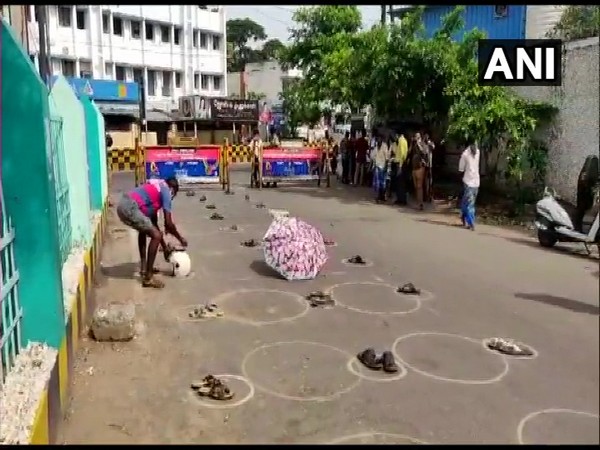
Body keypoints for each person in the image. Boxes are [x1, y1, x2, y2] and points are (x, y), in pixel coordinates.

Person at [116, 177, 186, 288]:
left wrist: (164, 247)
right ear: (173, 189)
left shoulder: (156, 188)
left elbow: (154, 225)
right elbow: (168, 223)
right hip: (130, 207)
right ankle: (149, 277)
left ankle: (144, 269)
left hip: (123, 205)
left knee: (145, 230)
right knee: (156, 236)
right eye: (174, 194)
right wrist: (180, 239)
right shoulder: (166, 190)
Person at [458, 143, 481, 230]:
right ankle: (471, 223)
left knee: (467, 202)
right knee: (470, 203)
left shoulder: (478, 152)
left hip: (476, 182)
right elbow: (461, 169)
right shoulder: (465, 155)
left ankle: (463, 216)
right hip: (468, 182)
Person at [410, 133, 429, 210]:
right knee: (416, 187)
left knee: (419, 186)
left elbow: (424, 152)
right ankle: (418, 202)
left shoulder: (422, 144)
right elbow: (409, 152)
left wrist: (419, 144)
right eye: (415, 137)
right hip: (414, 167)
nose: (416, 138)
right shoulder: (413, 145)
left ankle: (420, 204)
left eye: (418, 137)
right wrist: (412, 144)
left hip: (420, 167)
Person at [392, 132, 409, 205]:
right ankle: (400, 198)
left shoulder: (401, 141)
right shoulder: (404, 141)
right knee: (400, 182)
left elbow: (402, 154)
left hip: (400, 163)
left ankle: (402, 199)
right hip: (400, 163)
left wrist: (400, 166)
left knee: (400, 182)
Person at [372, 135, 390, 203]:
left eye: (379, 139)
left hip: (383, 166)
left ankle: (382, 196)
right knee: (377, 182)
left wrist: (386, 166)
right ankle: (379, 196)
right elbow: (373, 156)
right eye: (377, 139)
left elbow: (387, 157)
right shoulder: (376, 147)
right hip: (377, 166)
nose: (378, 140)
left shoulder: (384, 146)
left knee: (383, 182)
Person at [423, 133, 436, 202]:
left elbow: (433, 147)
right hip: (424, 165)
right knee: (424, 181)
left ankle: (430, 196)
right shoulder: (423, 144)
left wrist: (429, 143)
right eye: (425, 136)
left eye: (427, 136)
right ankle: (425, 196)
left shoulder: (430, 143)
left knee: (430, 181)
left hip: (430, 165)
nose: (426, 137)